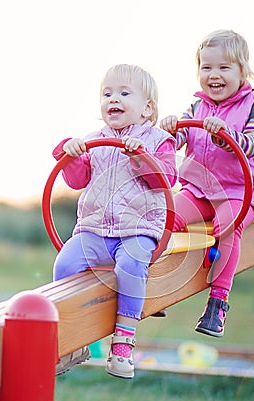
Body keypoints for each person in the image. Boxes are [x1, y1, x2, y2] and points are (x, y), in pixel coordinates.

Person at [52, 64, 177, 379]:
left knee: (132, 266)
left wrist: (141, 158)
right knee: (64, 264)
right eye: (107, 94)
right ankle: (74, 342)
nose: (113, 99)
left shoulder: (158, 140)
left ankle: (123, 342)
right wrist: (69, 156)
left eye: (123, 93)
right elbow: (78, 179)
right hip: (94, 229)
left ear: (147, 107)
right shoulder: (94, 140)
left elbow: (166, 180)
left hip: (137, 229)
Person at [160, 29, 254, 338]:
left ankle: (217, 303)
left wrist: (225, 136)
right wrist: (171, 129)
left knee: (227, 227)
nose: (213, 75)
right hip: (199, 188)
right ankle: (157, 283)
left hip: (238, 191)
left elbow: (251, 144)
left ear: (243, 72)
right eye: (206, 67)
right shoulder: (196, 107)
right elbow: (178, 138)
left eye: (224, 67)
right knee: (166, 216)